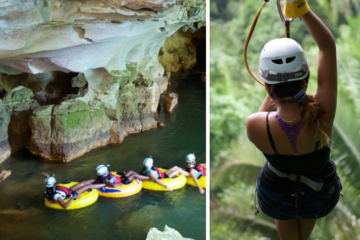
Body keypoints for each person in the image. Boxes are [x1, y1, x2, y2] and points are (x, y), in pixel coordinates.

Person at [246, 4, 342, 240]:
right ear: (306, 78)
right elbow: (327, 47)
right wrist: (302, 9)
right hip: (318, 195)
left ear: (267, 86)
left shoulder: (255, 125)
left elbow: (271, 105)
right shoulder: (323, 111)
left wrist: (276, 88)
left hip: (278, 197)